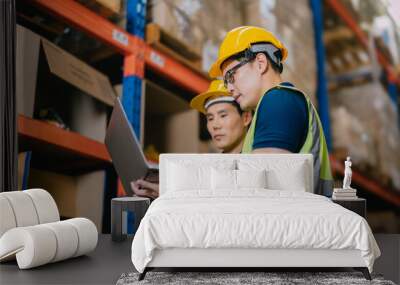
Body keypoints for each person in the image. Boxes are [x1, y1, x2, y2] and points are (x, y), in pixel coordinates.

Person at [208, 26, 333, 195]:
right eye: (225, 81)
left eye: (231, 76)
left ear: (260, 63)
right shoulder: (274, 103)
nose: (229, 87)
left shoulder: (278, 101)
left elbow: (263, 193)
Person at [130, 80, 252, 198]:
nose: (215, 125)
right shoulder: (207, 170)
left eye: (223, 115)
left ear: (246, 117)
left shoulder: (256, 164)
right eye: (210, 118)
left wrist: (171, 196)